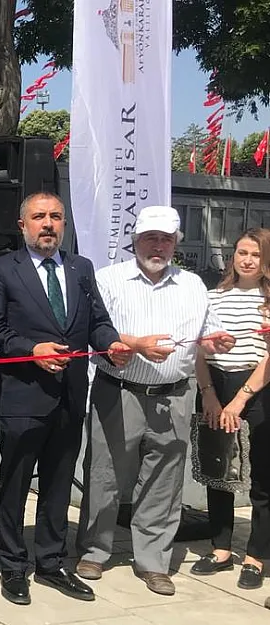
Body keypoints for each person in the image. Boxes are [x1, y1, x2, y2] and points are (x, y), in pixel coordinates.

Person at [76, 205, 235, 596]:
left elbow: (208, 334)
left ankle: (153, 560)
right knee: (105, 474)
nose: (159, 246)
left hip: (176, 396)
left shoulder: (194, 284)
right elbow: (96, 331)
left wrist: (218, 342)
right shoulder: (109, 279)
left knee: (164, 482)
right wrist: (134, 345)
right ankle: (95, 550)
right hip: (121, 391)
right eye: (151, 238)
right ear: (135, 241)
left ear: (176, 243)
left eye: (166, 239)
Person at [0, 191, 131, 606]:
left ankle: (50, 562)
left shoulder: (82, 268)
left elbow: (97, 323)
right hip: (23, 395)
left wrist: (113, 345)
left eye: (56, 217)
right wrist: (32, 351)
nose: (48, 224)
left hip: (70, 396)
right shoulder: (2, 271)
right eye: (39, 217)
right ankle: (13, 566)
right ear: (22, 225)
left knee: (57, 483)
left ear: (64, 224)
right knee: (14, 484)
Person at [190, 228, 270, 590]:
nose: (247, 260)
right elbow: (199, 348)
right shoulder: (212, 297)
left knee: (262, 478)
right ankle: (220, 547)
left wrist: (240, 400)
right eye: (241, 252)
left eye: (255, 254)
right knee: (217, 468)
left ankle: (255, 555)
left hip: (257, 389)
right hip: (215, 385)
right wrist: (208, 393)